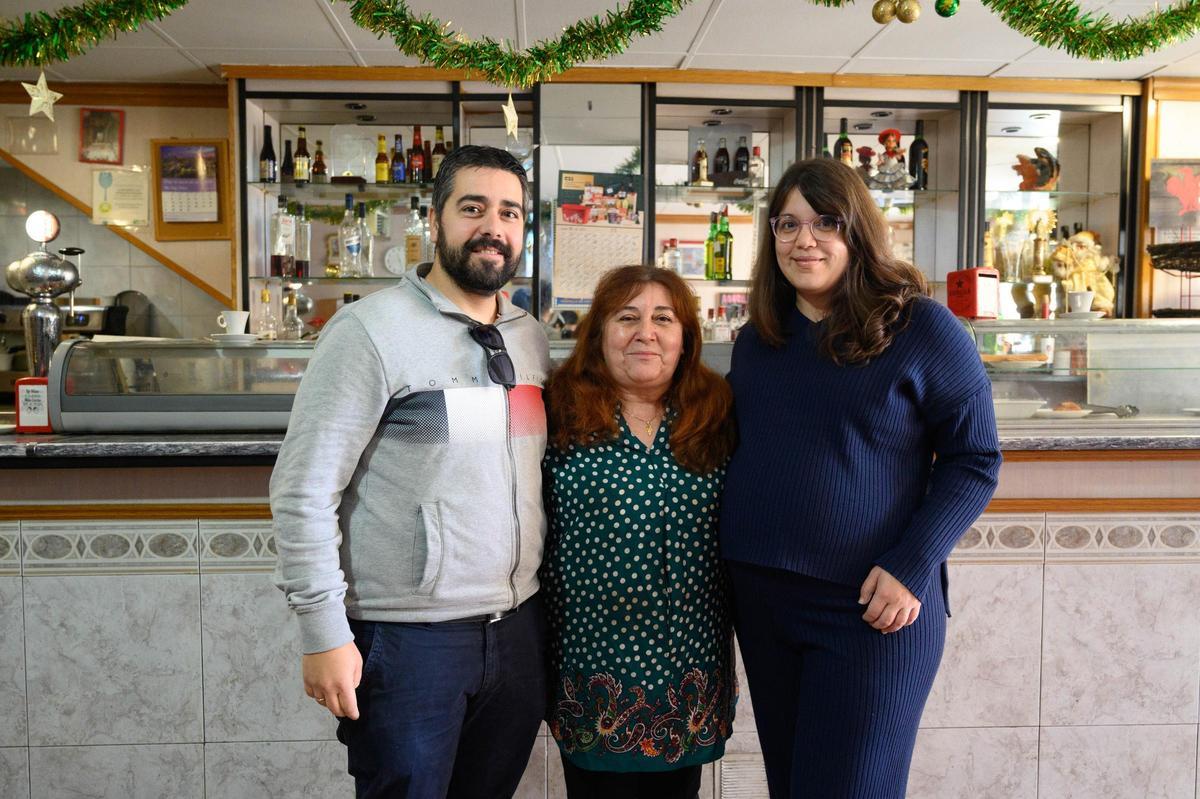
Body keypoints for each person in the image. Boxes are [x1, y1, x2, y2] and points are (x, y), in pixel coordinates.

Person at [271, 144, 551, 798]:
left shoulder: (530, 338)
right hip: (407, 643)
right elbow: (303, 490)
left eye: (510, 212)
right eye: (473, 207)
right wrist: (323, 631)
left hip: (516, 637)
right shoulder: (369, 331)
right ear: (436, 218)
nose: (494, 226)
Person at [719, 157, 1001, 798]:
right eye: (786, 224)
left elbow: (975, 459)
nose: (803, 239)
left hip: (872, 609)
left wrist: (912, 564)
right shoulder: (759, 339)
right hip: (764, 601)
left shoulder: (921, 327)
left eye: (825, 222)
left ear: (858, 231)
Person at [542, 265, 737, 799]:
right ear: (599, 333)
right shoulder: (556, 409)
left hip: (688, 669)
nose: (644, 331)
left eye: (662, 318)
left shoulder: (716, 412)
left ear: (685, 337)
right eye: (626, 317)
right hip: (594, 671)